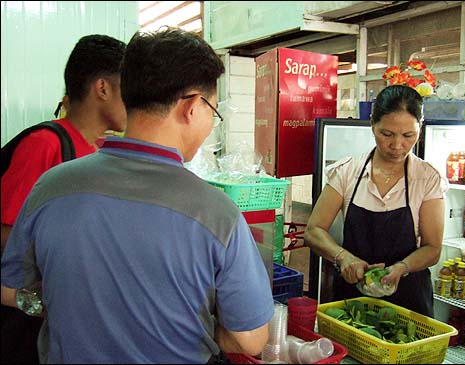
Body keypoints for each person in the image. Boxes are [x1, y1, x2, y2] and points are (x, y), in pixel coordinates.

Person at [1, 27, 274, 364]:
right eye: (212, 113)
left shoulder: (50, 187)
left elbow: (10, 288)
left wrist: (72, 307)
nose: (209, 125)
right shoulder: (217, 214)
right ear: (191, 106)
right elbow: (251, 339)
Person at [0, 34, 126, 364]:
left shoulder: (100, 152)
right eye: (128, 87)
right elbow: (6, 235)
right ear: (103, 88)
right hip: (28, 324)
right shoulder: (45, 145)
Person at [304, 85, 446, 317]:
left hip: (409, 302)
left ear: (419, 128)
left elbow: (432, 248)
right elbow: (313, 231)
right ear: (372, 124)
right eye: (387, 134)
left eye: (408, 135)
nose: (397, 145)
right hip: (353, 299)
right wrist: (343, 257)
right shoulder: (347, 171)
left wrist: (402, 267)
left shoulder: (427, 178)